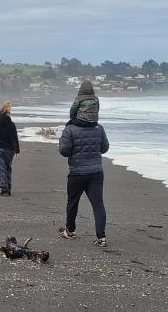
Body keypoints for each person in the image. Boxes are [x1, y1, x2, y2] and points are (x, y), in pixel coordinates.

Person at [59, 82, 109, 247]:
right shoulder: (99, 129)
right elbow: (105, 148)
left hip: (77, 173)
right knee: (98, 203)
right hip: (96, 171)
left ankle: (70, 230)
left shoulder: (70, 129)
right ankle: (101, 237)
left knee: (73, 202)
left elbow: (64, 151)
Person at [0, 100, 20, 196]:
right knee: (8, 168)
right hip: (10, 150)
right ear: (8, 112)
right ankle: (8, 188)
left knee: (1, 169)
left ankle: (4, 189)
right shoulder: (11, 124)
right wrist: (17, 151)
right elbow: (14, 138)